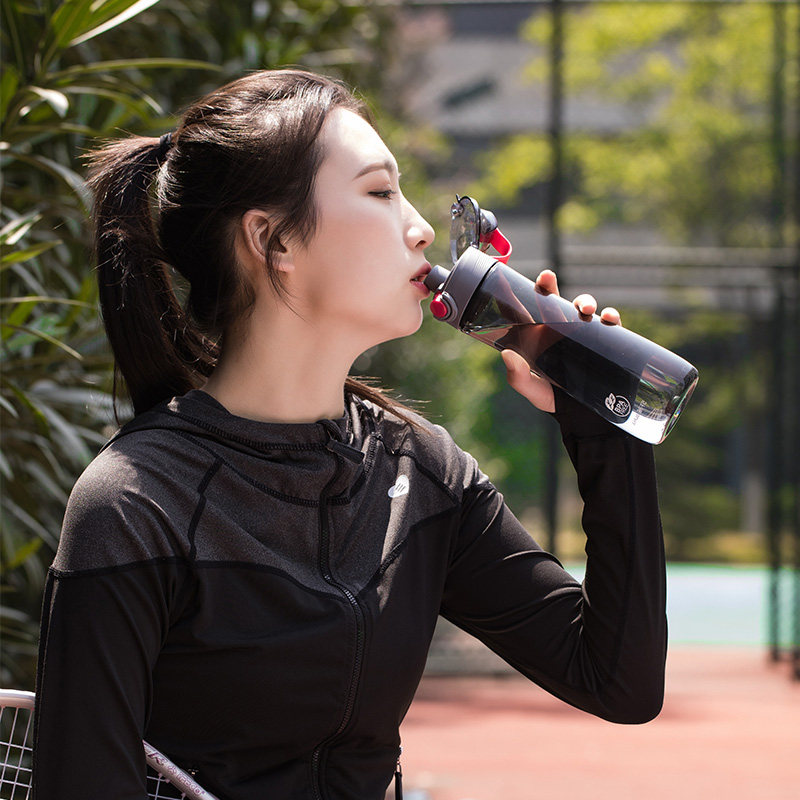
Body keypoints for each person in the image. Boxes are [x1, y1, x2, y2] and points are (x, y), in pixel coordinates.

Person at [32, 69, 666, 800]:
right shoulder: (136, 504)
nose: (420, 228)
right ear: (273, 240)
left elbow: (618, 680)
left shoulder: (422, 472)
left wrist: (605, 430)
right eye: (380, 192)